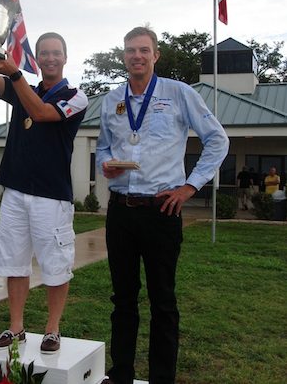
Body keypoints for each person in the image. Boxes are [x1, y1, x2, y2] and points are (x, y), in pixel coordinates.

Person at [96, 26, 229, 384]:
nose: (136, 56)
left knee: (163, 301)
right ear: (123, 56)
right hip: (121, 210)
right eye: (129, 50)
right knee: (122, 299)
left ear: (156, 55)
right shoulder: (111, 100)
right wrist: (105, 164)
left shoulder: (179, 93)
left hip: (162, 210)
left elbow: (218, 140)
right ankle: (120, 374)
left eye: (143, 50)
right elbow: (103, 147)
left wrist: (190, 187)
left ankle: (161, 378)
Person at [0, 32, 88, 354]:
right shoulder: (23, 87)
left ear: (65, 57)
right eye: (44, 54)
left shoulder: (76, 96)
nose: (50, 59)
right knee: (13, 262)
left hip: (51, 196)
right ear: (36, 58)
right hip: (15, 190)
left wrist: (14, 73)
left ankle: (52, 330)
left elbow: (41, 113)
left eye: (56, 53)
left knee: (55, 263)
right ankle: (16, 328)